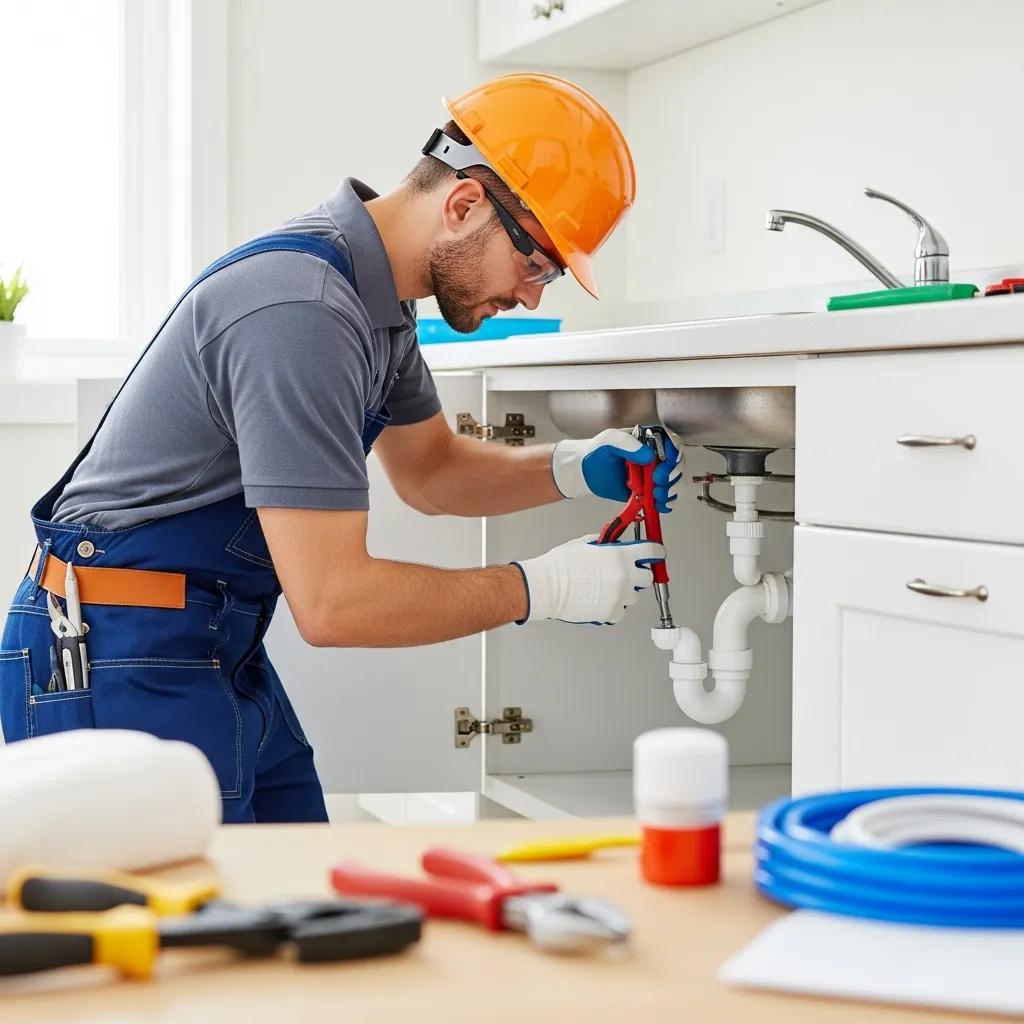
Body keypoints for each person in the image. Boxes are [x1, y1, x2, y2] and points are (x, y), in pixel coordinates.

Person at [0, 74, 678, 822]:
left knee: (295, 892)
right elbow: (333, 603)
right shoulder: (305, 312)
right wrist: (545, 587)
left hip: (211, 642)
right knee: (189, 930)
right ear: (463, 206)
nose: (532, 297)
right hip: (117, 650)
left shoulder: (375, 304)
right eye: (537, 265)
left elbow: (433, 471)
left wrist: (573, 468)